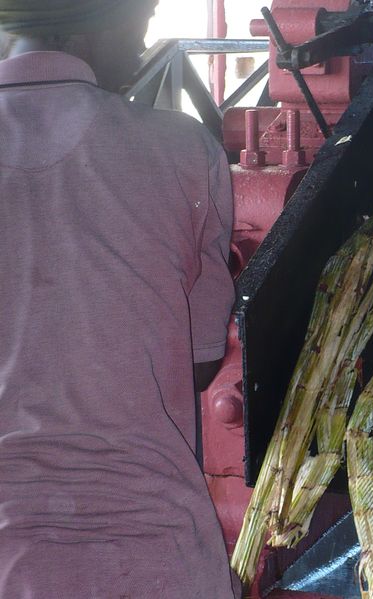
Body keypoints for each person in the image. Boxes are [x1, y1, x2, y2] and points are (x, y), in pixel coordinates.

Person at [0, 1, 239, 597]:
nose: (145, 39)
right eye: (143, 15)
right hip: (150, 550)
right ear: (94, 23)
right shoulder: (182, 148)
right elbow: (201, 360)